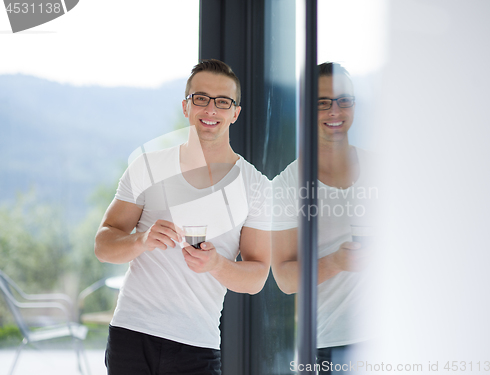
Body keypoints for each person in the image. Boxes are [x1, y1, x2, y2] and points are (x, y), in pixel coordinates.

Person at [95, 59, 272, 375]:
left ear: (235, 113)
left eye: (223, 102)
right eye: (201, 98)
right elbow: (104, 245)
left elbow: (257, 276)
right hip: (131, 335)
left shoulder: (256, 186)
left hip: (197, 346)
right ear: (186, 107)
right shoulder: (148, 167)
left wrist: (217, 264)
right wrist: (141, 240)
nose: (211, 109)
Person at [271, 62, 377, 374]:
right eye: (322, 103)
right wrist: (336, 262)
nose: (335, 111)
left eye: (344, 101)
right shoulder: (287, 185)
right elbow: (286, 279)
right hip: (328, 345)